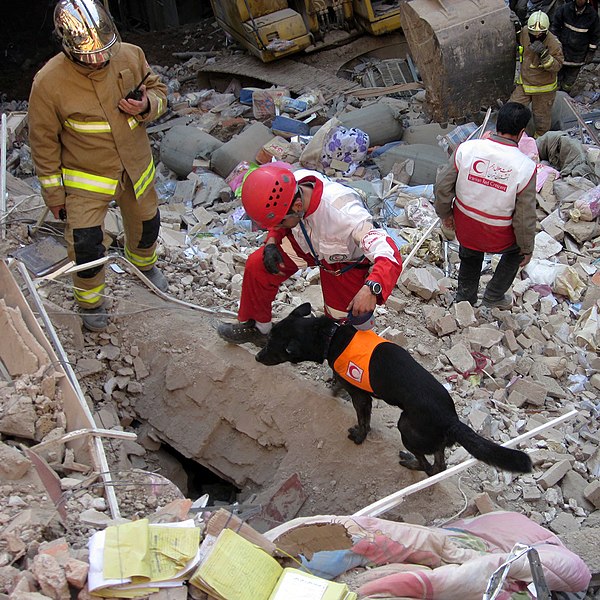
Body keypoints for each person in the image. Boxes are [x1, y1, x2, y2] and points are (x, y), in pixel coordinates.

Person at [28, 0, 169, 332]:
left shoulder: (130, 55)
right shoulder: (48, 83)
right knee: (87, 244)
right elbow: (43, 144)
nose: (101, 58)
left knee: (147, 224)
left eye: (105, 50)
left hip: (135, 169)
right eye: (92, 55)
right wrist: (55, 197)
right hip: (87, 180)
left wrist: (147, 104)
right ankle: (90, 302)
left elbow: (160, 91)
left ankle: (144, 268)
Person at [217, 165, 403, 345]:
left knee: (343, 319)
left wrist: (372, 288)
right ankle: (258, 328)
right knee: (258, 265)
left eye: (281, 223)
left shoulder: (346, 214)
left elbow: (389, 253)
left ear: (298, 206)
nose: (278, 227)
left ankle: (347, 360)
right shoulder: (294, 185)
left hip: (343, 259)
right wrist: (272, 241)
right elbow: (281, 217)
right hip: (305, 242)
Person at [433, 102, 537, 309]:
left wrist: (446, 214)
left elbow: (442, 186)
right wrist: (527, 248)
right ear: (522, 133)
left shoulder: (467, 148)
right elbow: (524, 217)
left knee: (470, 254)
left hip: (466, 228)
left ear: (497, 125)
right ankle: (494, 295)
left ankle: (465, 297)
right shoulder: (526, 167)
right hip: (497, 235)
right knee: (517, 251)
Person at [509, 10, 564, 137]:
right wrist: (516, 27)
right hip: (525, 85)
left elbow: (557, 66)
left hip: (544, 90)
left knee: (541, 120)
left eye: (539, 34)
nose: (536, 36)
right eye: (533, 33)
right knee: (511, 111)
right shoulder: (525, 32)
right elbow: (520, 40)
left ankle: (538, 142)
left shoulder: (553, 44)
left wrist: (544, 55)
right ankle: (510, 136)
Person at [551, 0, 600, 94]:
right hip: (562, 50)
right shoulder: (565, 9)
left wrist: (591, 52)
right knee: (556, 77)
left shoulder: (592, 15)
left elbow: (595, 36)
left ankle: (565, 94)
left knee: (569, 81)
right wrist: (555, 44)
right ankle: (554, 95)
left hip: (578, 55)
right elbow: (555, 27)